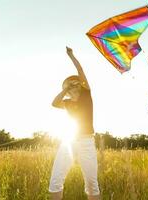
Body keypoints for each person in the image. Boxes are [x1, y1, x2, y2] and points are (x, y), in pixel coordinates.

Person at [48, 47, 100, 200]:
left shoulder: (86, 96)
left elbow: (80, 70)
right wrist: (65, 90)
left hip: (87, 142)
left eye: (76, 82)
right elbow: (54, 103)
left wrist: (71, 55)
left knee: (91, 183)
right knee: (55, 181)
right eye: (70, 84)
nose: (74, 84)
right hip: (68, 142)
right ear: (67, 89)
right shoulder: (67, 102)